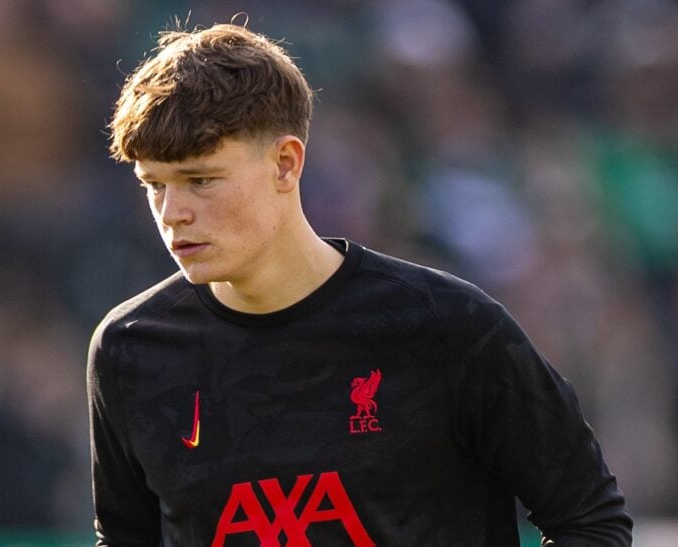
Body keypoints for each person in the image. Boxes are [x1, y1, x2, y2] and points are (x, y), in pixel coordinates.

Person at [88, 21, 633, 546]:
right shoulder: (129, 349)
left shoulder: (447, 327)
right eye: (153, 185)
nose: (172, 212)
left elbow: (589, 519)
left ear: (285, 164)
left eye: (199, 179)